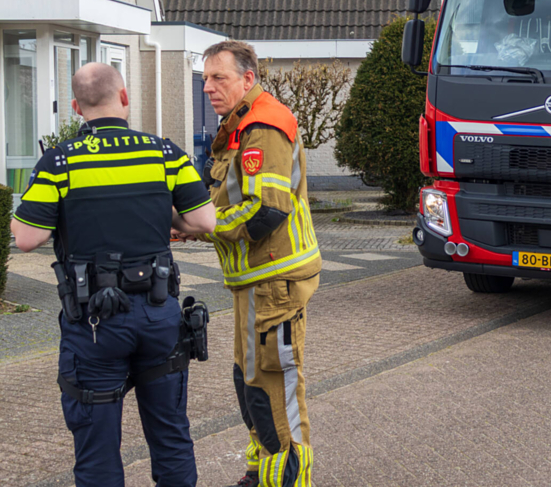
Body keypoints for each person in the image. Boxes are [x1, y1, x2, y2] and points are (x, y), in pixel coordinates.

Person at [10, 63, 215, 487]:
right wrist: (164, 217)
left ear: (75, 106)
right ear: (124, 98)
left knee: (97, 450)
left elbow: (27, 239)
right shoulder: (164, 153)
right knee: (172, 438)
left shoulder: (59, 161)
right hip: (160, 317)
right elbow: (205, 221)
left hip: (95, 324)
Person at [191, 40, 321, 487]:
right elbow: (229, 197)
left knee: (272, 387)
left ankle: (286, 480)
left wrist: (202, 226)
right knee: (249, 383)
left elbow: (266, 211)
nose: (208, 86)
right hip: (256, 282)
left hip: (275, 281)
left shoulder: (262, 125)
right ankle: (259, 472)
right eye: (205, 77)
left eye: (218, 77)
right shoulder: (240, 124)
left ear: (247, 79)